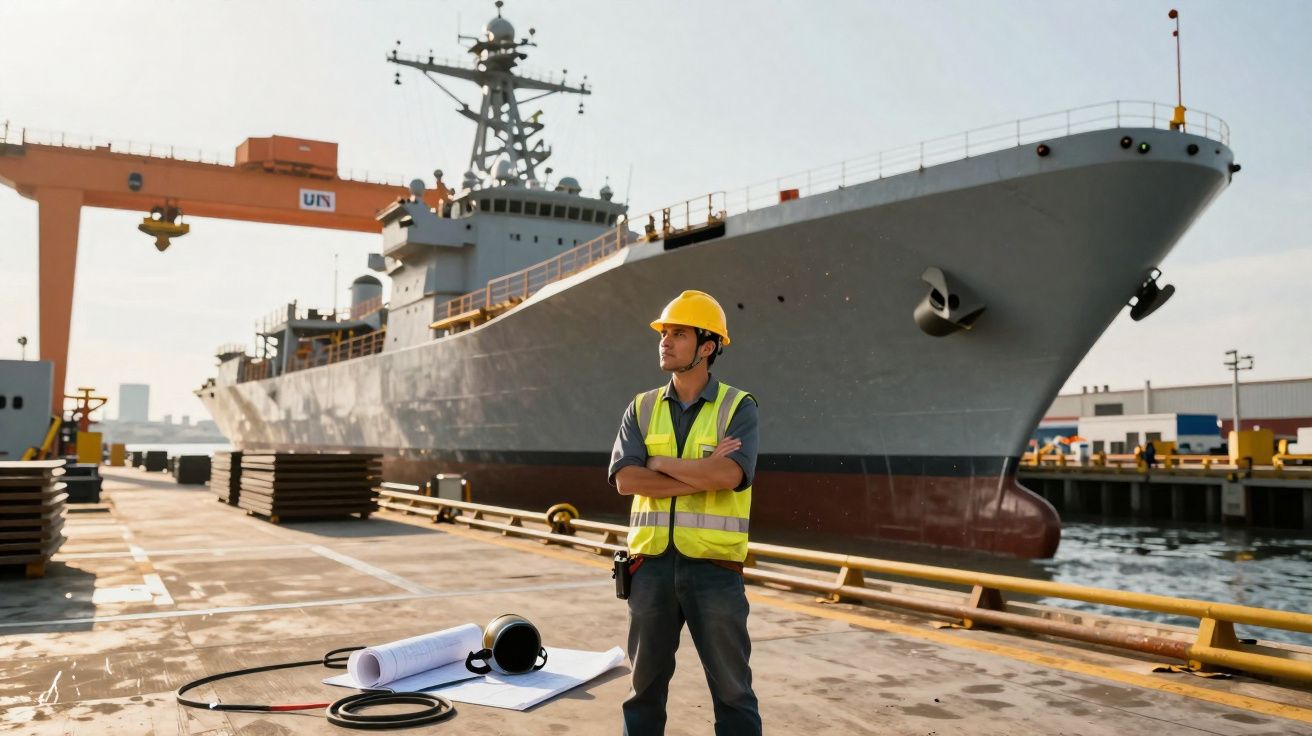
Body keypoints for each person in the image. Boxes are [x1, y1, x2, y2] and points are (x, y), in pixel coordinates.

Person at [608, 290, 762, 736]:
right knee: (643, 694)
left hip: (715, 569)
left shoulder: (739, 406)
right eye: (664, 333)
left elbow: (732, 476)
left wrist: (660, 464)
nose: (665, 341)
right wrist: (702, 472)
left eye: (678, 333)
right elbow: (626, 481)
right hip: (650, 568)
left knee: (734, 694)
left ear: (708, 346)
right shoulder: (640, 407)